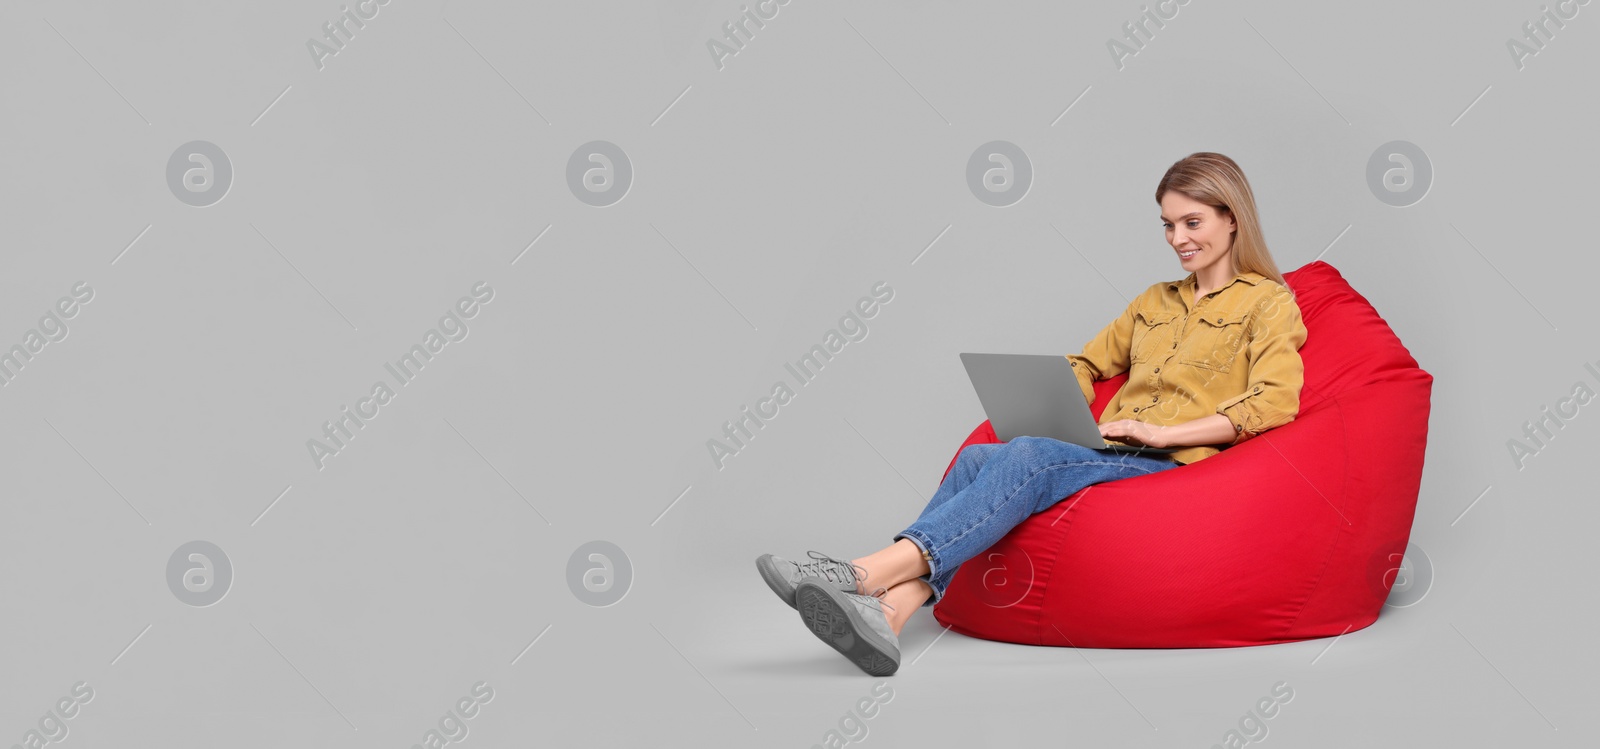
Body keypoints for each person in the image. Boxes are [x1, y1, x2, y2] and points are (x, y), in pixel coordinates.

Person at [756, 152, 1309, 676]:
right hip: (1110, 446)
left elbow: (1274, 402)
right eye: (1167, 225)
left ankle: (857, 575)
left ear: (1232, 219)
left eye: (1192, 223)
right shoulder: (1154, 301)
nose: (1178, 240)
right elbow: (1087, 361)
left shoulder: (1267, 303)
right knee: (977, 458)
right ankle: (892, 614)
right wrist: (1055, 400)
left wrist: (1162, 432)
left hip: (1171, 461)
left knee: (1030, 456)